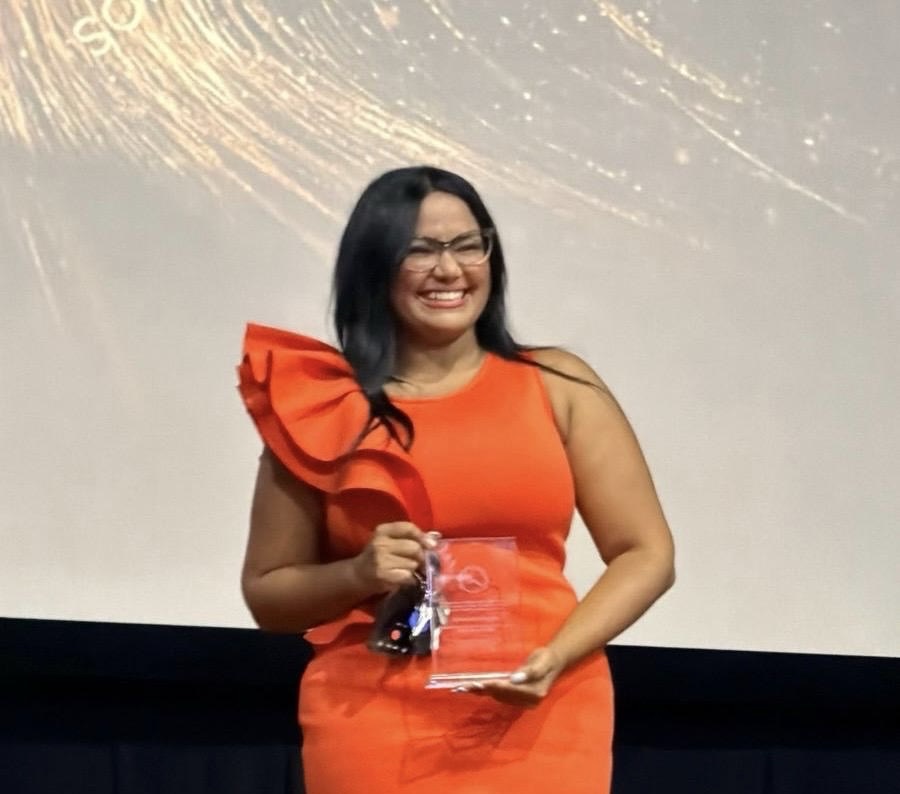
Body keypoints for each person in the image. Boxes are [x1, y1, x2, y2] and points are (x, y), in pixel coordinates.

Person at [237, 166, 675, 793]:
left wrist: (557, 656)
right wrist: (358, 573)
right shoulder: (323, 405)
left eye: (468, 245)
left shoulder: (557, 384)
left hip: (541, 704)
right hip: (374, 719)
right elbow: (267, 594)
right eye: (420, 250)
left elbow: (646, 553)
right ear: (374, 265)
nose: (449, 269)